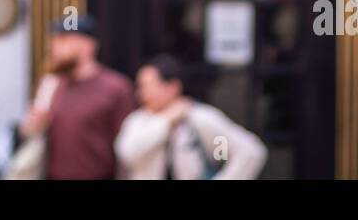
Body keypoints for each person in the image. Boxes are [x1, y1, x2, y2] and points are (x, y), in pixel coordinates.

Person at [115, 54, 268, 180]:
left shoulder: (200, 119)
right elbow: (129, 153)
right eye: (140, 86)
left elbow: (249, 151)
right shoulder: (138, 121)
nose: (141, 94)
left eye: (147, 86)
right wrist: (167, 121)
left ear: (173, 86)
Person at [18, 15, 134, 180]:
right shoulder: (50, 85)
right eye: (55, 40)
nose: (54, 46)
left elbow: (127, 148)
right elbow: (31, 134)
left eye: (63, 39)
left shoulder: (116, 88)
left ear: (87, 45)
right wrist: (32, 127)